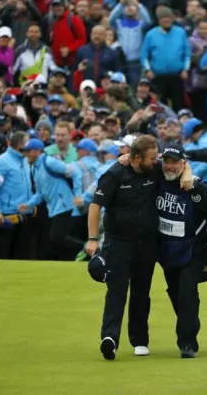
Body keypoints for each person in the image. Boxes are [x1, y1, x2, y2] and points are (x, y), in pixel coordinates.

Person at [85, 135, 191, 361]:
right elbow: (96, 206)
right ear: (135, 158)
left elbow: (179, 163)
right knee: (117, 289)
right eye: (153, 158)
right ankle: (110, 338)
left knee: (141, 292)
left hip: (148, 243)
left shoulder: (154, 170)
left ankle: (140, 340)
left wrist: (188, 169)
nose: (157, 162)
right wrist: (93, 238)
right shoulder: (114, 174)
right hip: (119, 242)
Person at [156, 143, 207, 358]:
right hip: (166, 250)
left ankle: (187, 343)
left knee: (187, 293)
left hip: (192, 249)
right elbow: (134, 162)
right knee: (175, 293)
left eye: (174, 162)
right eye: (166, 161)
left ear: (183, 163)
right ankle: (190, 324)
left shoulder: (197, 187)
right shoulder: (158, 179)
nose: (169, 166)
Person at [19, 138, 84, 261]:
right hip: (54, 208)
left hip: (66, 205)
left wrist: (78, 195)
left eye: (29, 151)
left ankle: (85, 247)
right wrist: (29, 205)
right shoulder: (34, 169)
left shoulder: (49, 162)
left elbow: (75, 173)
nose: (26, 154)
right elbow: (39, 193)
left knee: (56, 237)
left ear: (38, 152)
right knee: (57, 239)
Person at [0, 131, 34, 260]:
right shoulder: (2, 161)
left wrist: (31, 203)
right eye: (27, 142)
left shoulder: (24, 160)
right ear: (20, 144)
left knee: (22, 251)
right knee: (3, 249)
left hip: (23, 212)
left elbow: (27, 183)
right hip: (8, 213)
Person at [140, 7, 191, 112]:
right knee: (160, 106)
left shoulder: (180, 33)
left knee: (179, 105)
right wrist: (147, 70)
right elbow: (144, 55)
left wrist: (185, 69)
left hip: (177, 76)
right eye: (163, 18)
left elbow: (187, 54)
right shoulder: (150, 34)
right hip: (158, 77)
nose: (166, 20)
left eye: (168, 17)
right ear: (159, 20)